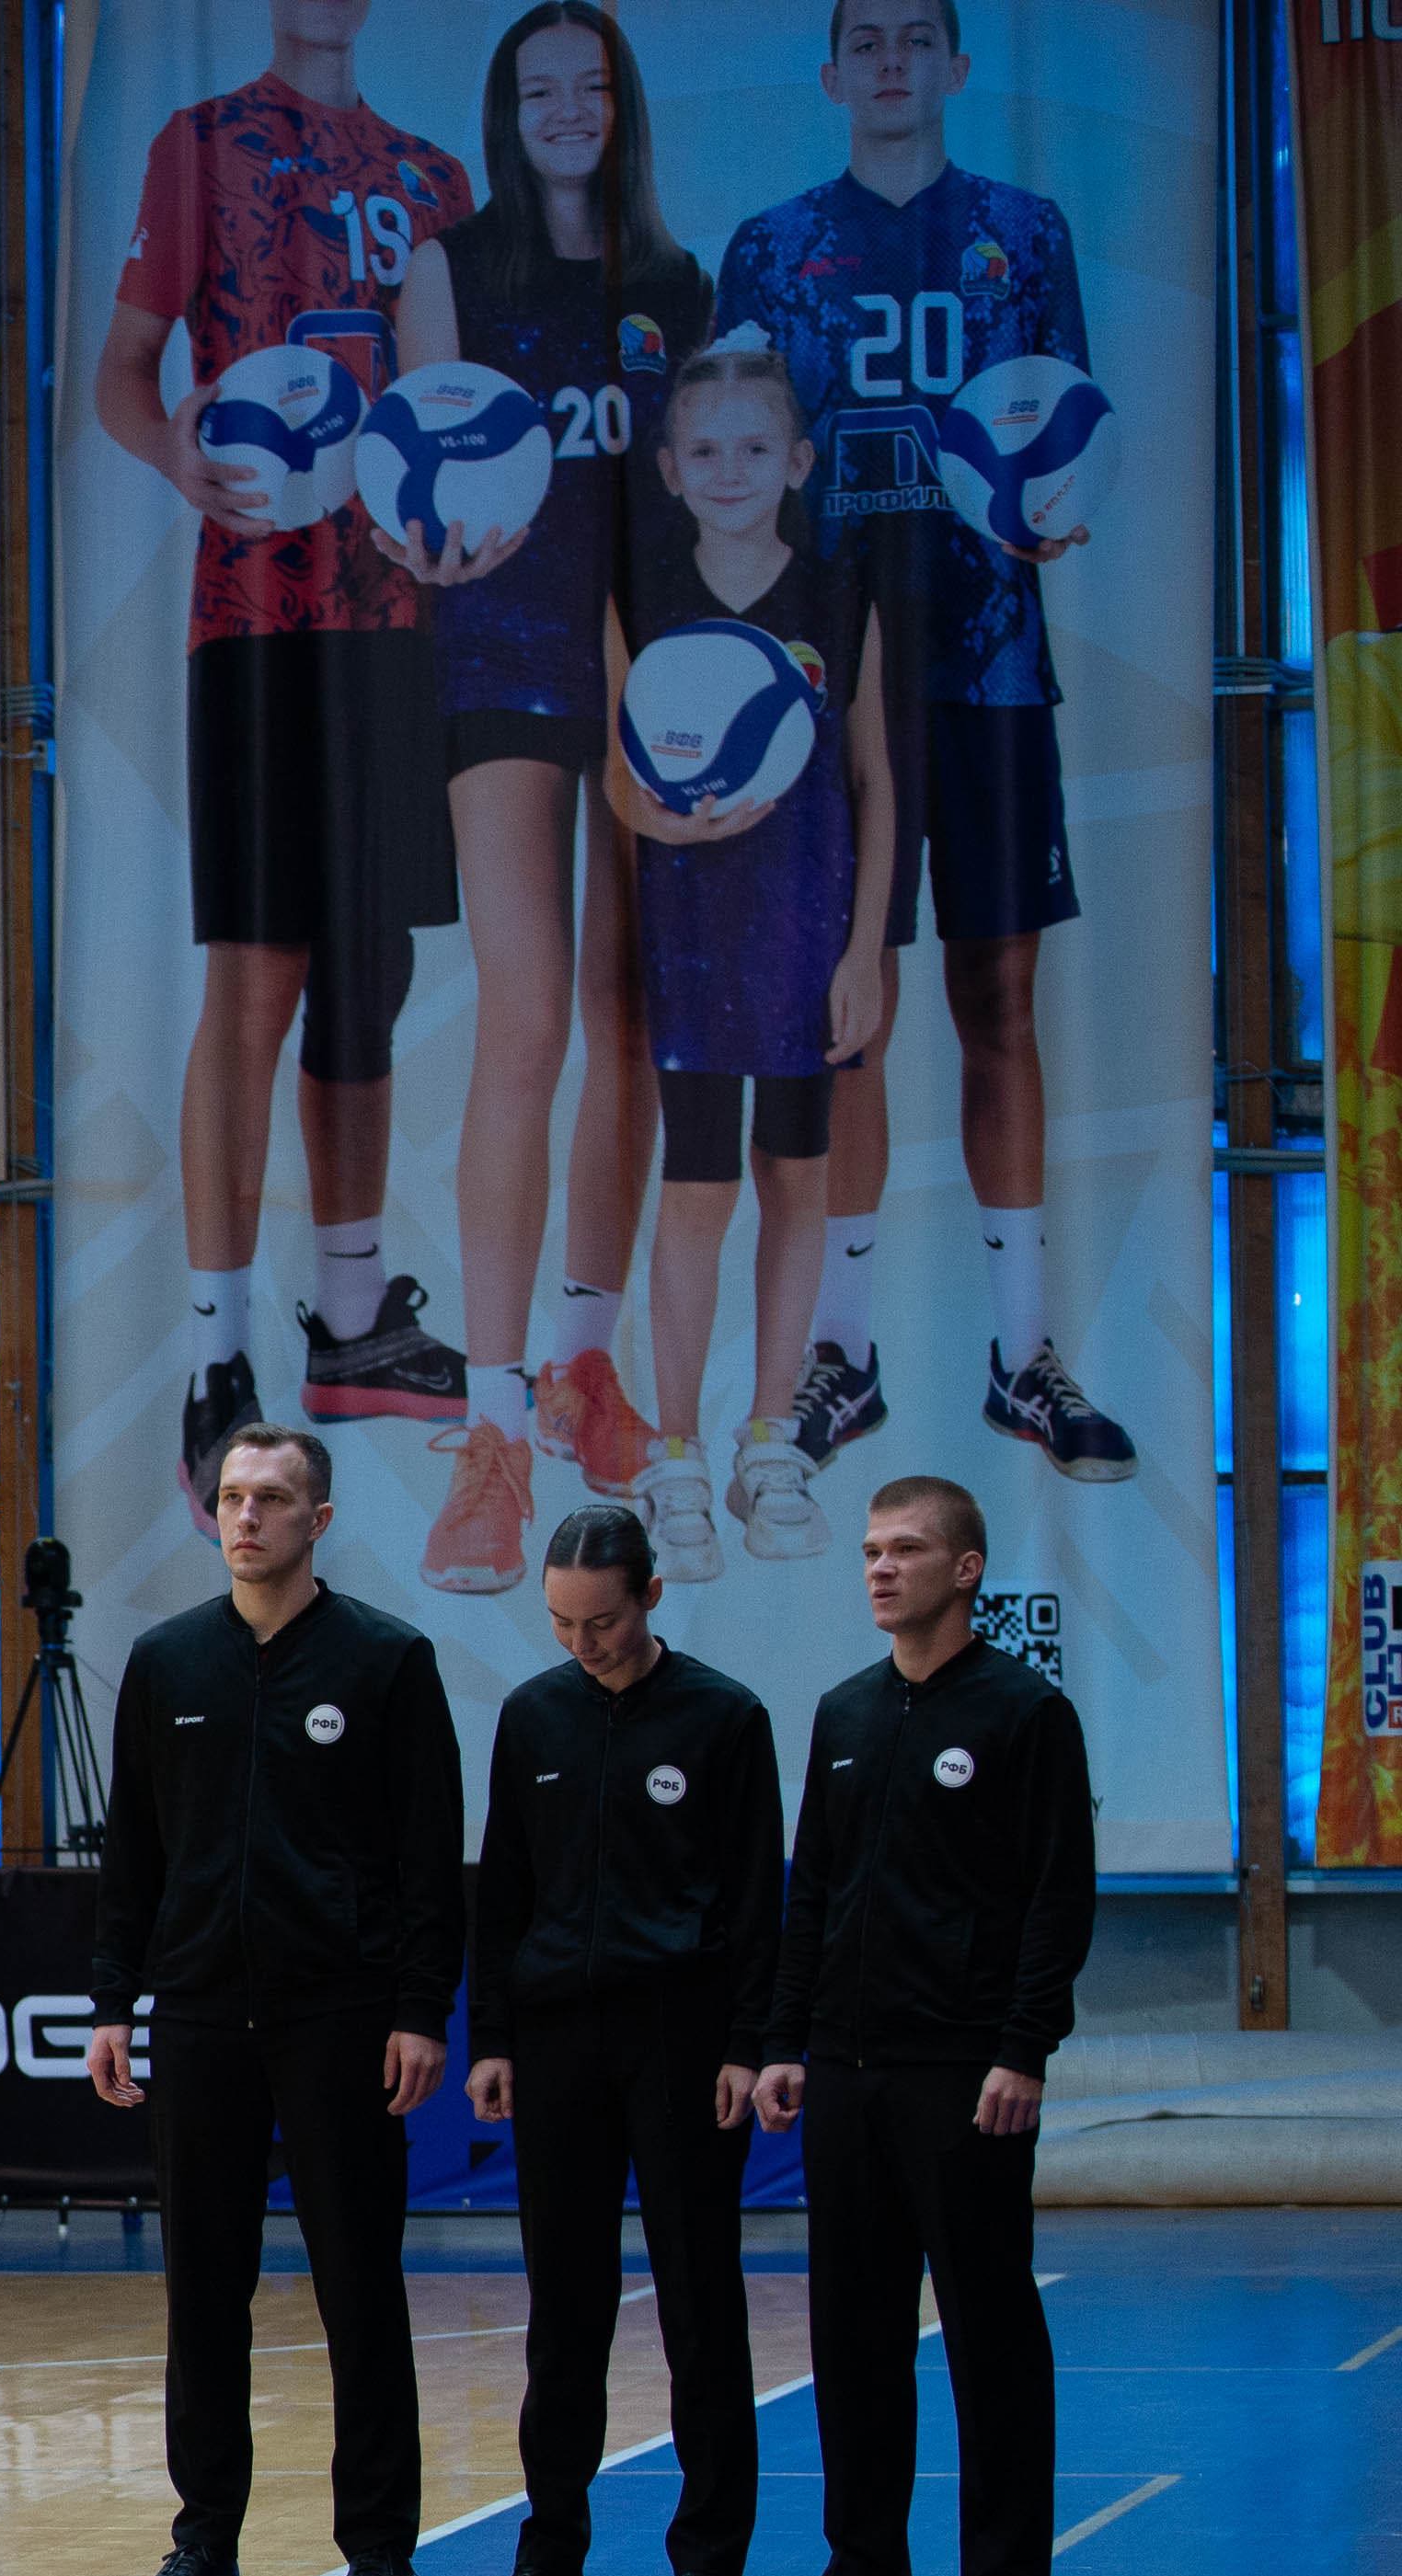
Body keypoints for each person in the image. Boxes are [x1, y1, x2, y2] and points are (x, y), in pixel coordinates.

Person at [718, 0, 1133, 1489]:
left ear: (956, 67)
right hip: (833, 676)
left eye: (917, 38)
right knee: (852, 1013)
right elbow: (731, 468)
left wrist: (1059, 505)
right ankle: (845, 1352)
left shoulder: (1024, 233)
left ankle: (1023, 1357)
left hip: (989, 660)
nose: (891, 62)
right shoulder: (771, 249)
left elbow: (1070, 436)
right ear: (832, 72)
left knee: (998, 996)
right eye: (867, 40)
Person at [94, 0, 478, 1527]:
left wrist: (455, 515)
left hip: (392, 619)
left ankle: (353, 1312)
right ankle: (214, 1353)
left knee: (369, 968)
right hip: (254, 618)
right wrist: (172, 450)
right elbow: (126, 373)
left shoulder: (432, 177)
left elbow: (447, 399)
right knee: (256, 974)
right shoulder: (201, 145)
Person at [387, 1, 703, 1589]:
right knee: (524, 1022)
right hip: (505, 660)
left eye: (591, 85)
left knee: (631, 1013)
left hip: (652, 676)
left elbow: (698, 492)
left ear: (620, 105)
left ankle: (584, 1365)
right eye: (539, 89)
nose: (568, 109)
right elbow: (423, 477)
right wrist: (429, 540)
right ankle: (492, 1429)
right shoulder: (452, 267)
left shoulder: (674, 284)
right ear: (506, 114)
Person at [85, 1427, 465, 2576]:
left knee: (359, 2287)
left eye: (272, 1499)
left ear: (319, 1519)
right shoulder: (166, 1663)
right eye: (232, 1497)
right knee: (204, 2292)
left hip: (339, 2015)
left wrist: (418, 2009)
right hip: (200, 2014)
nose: (246, 1516)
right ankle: (203, 2547)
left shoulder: (386, 1660)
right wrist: (113, 2000)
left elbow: (426, 1857)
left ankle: (380, 2555)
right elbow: (133, 1850)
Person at [754, 1473, 1092, 2576]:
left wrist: (1022, 2046)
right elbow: (813, 1890)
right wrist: (783, 2040)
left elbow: (1056, 1894)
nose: (880, 1569)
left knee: (987, 2328)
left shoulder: (1023, 1712)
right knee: (851, 2335)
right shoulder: (845, 1713)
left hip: (964, 2072)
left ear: (965, 1568)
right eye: (868, 1551)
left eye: (904, 1549)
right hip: (845, 2071)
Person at [461, 1505, 782, 2576]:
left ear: (648, 1594)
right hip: (556, 2044)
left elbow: (757, 1898)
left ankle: (709, 2570)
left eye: (599, 1620)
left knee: (699, 2303)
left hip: (682, 2043)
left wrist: (747, 2042)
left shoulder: (723, 1716)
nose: (580, 1642)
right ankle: (550, 2563)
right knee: (564, 2312)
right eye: (560, 1621)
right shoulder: (532, 1715)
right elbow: (502, 1888)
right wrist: (492, 2035)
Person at [605, 346, 895, 1580]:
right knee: (699, 1186)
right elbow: (618, 774)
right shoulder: (642, 592)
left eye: (755, 447)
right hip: (693, 938)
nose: (731, 470)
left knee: (799, 1175)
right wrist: (672, 828)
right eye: (706, 449)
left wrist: (865, 947)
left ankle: (768, 1439)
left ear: (799, 462)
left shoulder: (836, 595)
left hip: (805, 936)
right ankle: (674, 1451)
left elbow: (874, 780)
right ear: (671, 469)